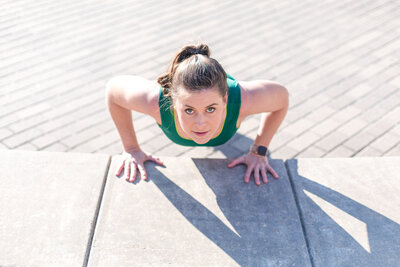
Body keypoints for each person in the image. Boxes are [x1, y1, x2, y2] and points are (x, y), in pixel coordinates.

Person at [105, 43, 289, 186]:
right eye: (189, 110)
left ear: (225, 100)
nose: (200, 124)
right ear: (174, 103)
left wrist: (259, 151)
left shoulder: (242, 100)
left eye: (211, 109)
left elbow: (282, 99)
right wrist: (131, 149)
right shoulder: (155, 101)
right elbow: (113, 91)